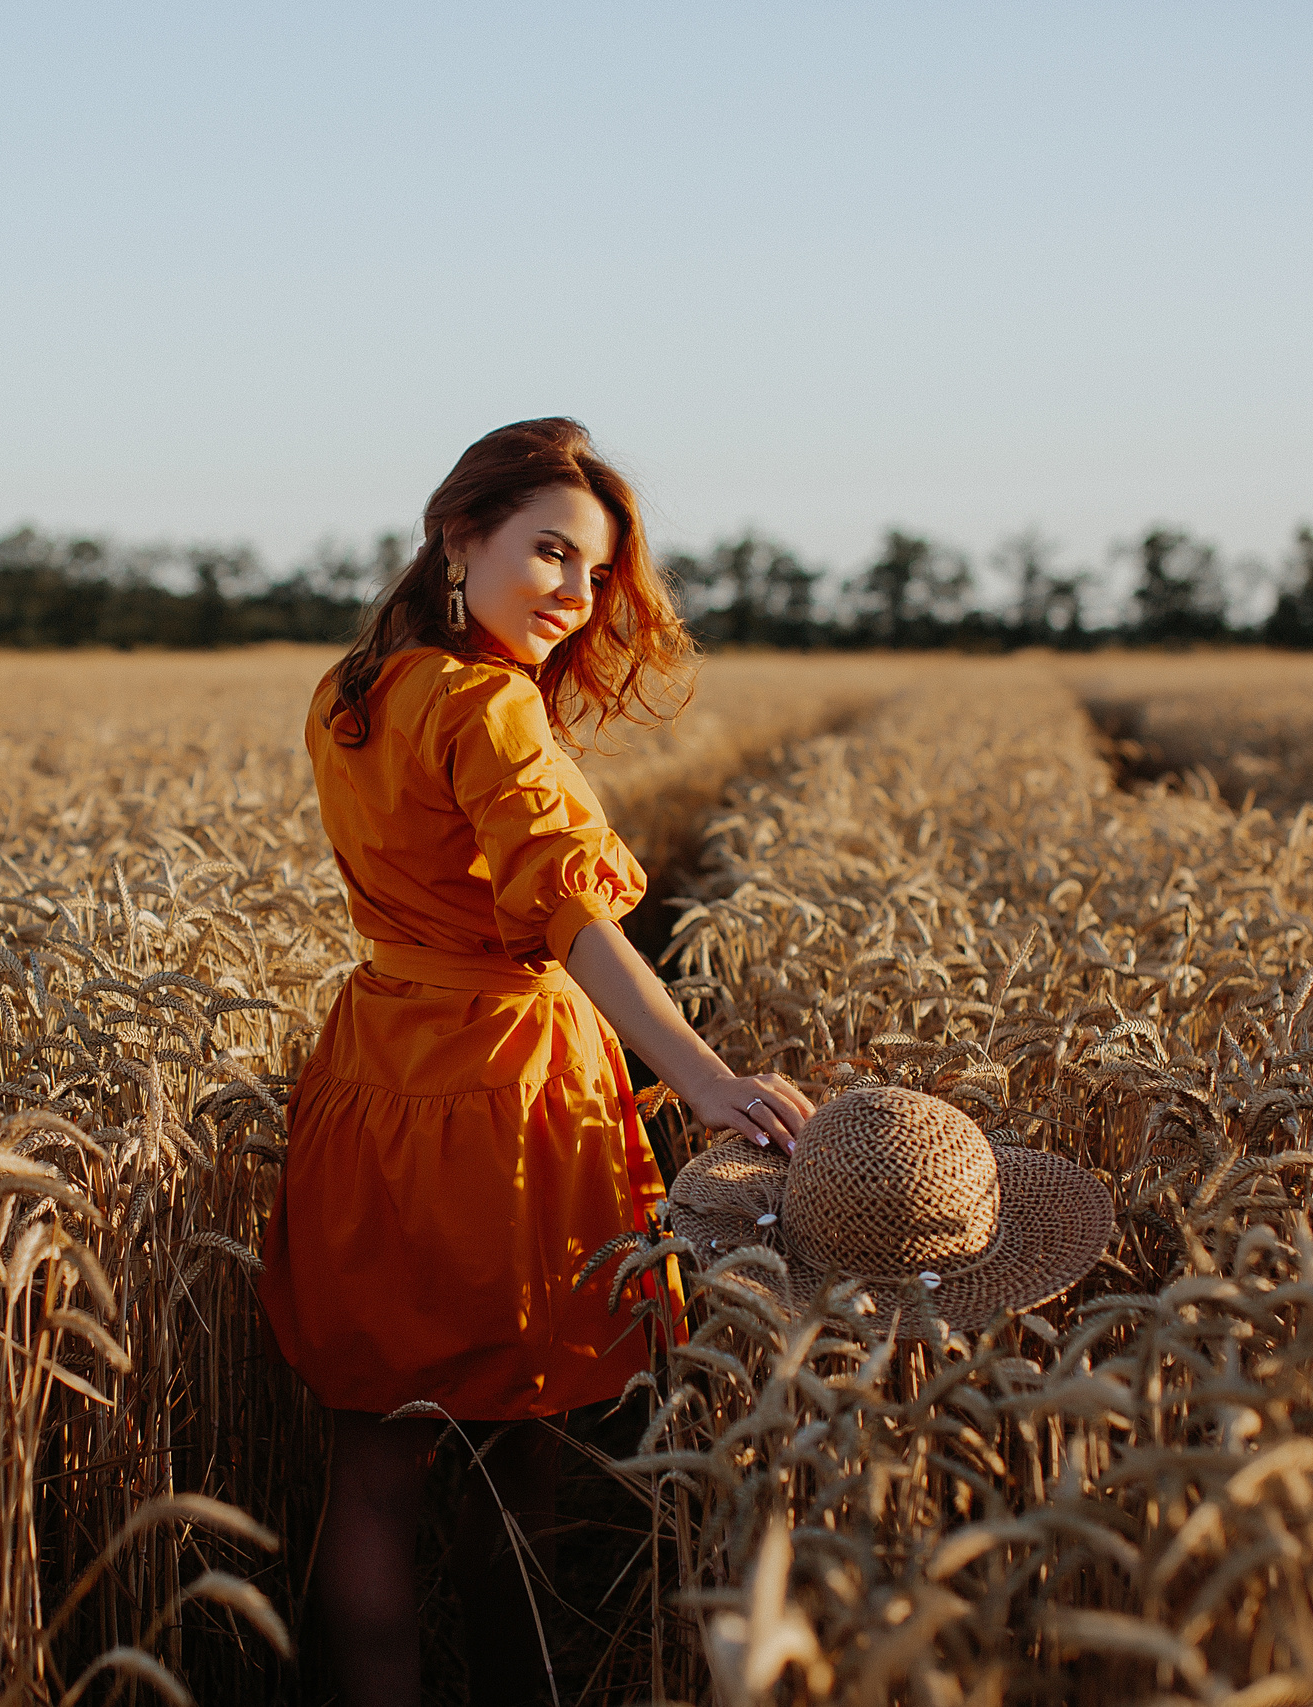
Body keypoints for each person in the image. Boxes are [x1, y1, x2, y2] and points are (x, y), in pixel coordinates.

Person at [256, 418, 814, 1705]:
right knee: (519, 1452)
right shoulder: (489, 704)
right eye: (551, 552)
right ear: (461, 534)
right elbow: (571, 916)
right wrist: (701, 1078)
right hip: (500, 1091)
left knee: (371, 1462)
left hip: (369, 1073)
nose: (576, 592)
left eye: (596, 571)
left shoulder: (353, 691)